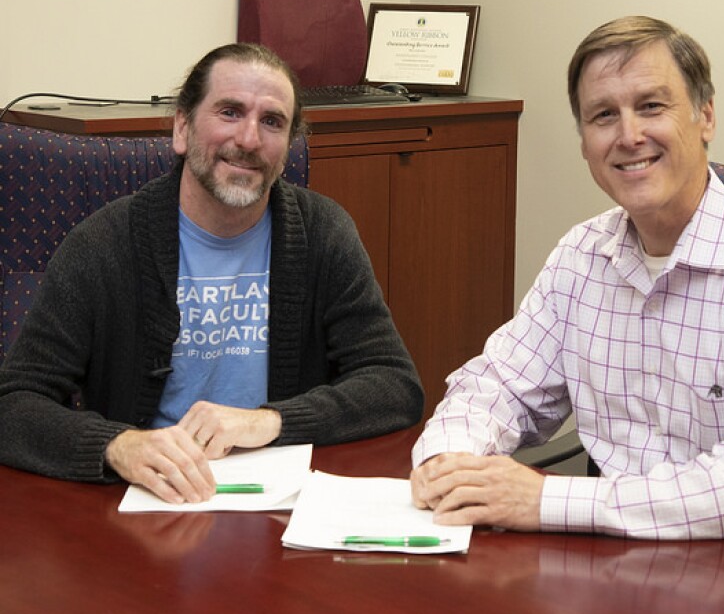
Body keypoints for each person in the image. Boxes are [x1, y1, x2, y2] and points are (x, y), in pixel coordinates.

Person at [410, 16, 724, 557]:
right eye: (604, 115)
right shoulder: (582, 256)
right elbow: (498, 386)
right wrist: (448, 461)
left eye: (651, 106)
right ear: (584, 143)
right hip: (627, 561)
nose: (629, 136)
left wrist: (546, 500)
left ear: (706, 117)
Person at [0, 43, 423, 504]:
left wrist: (270, 421)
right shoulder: (103, 243)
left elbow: (394, 385)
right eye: (229, 111)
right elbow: (13, 405)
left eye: (272, 121)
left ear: (288, 148)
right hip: (148, 504)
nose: (249, 139)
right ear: (182, 128)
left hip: (279, 503)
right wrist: (116, 445)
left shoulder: (324, 232)